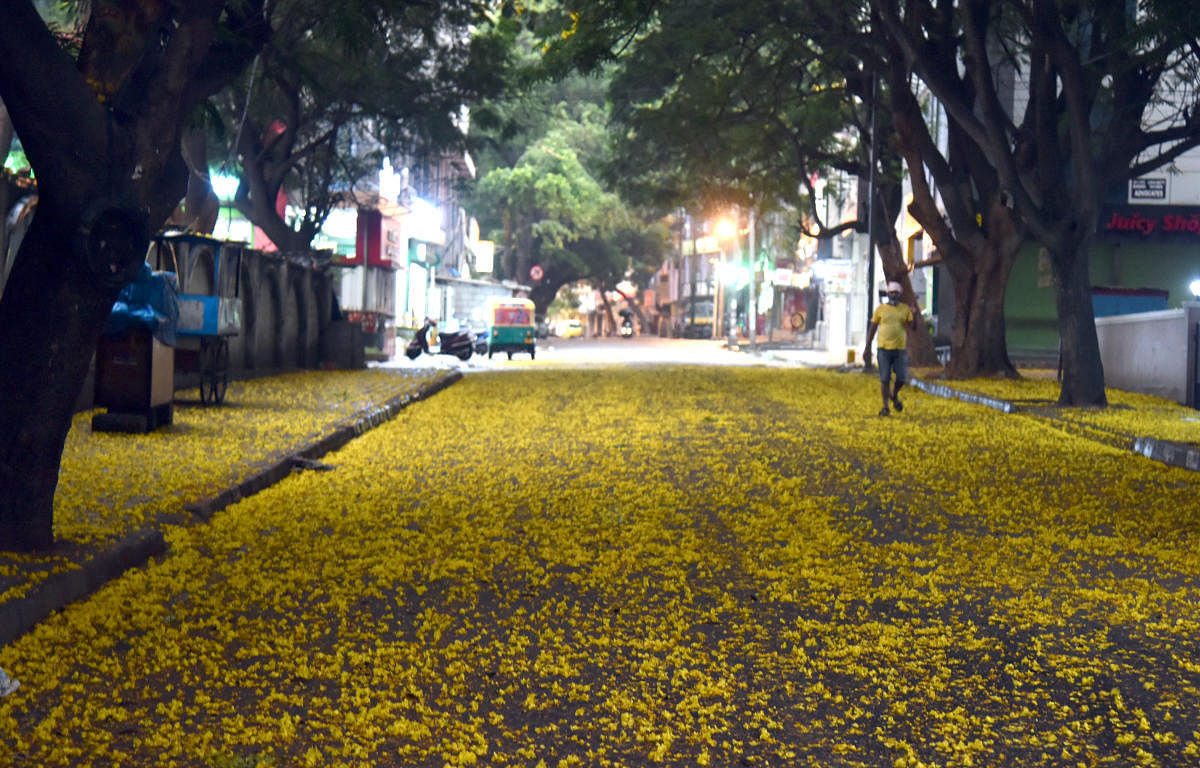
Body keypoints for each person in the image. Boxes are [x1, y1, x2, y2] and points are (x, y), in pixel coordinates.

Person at [864, 281, 921, 417]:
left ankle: (894, 395)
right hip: (883, 349)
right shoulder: (881, 309)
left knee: (901, 378)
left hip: (900, 349)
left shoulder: (905, 309)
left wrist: (915, 314)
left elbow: (913, 327)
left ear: (899, 295)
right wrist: (867, 347)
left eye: (896, 293)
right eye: (891, 293)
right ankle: (885, 407)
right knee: (885, 379)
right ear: (888, 294)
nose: (894, 295)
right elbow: (872, 328)